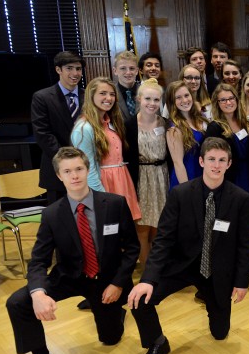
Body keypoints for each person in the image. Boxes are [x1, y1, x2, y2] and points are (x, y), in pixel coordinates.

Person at [6, 147, 139, 354]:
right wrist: (37, 293)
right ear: (59, 176)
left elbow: (132, 249)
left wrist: (118, 283)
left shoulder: (115, 204)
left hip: (105, 280)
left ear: (88, 170)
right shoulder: (51, 215)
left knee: (110, 339)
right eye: (67, 171)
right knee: (18, 302)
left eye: (79, 169)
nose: (74, 175)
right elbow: (38, 260)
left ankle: (114, 312)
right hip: (68, 276)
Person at [128, 137, 249, 354]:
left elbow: (246, 244)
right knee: (141, 301)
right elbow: (163, 239)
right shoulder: (181, 194)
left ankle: (212, 304)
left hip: (217, 270)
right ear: (201, 161)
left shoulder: (240, 198)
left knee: (220, 333)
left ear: (229, 164)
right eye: (211, 159)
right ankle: (157, 344)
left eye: (221, 160)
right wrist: (147, 279)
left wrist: (241, 282)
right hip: (181, 265)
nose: (216, 165)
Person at [71, 77, 142, 221]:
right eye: (103, 93)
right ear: (91, 96)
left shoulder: (111, 122)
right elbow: (88, 169)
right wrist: (102, 199)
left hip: (121, 180)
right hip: (103, 185)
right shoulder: (84, 129)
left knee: (123, 231)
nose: (108, 98)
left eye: (112, 94)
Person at [31, 51, 85, 203]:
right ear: (58, 70)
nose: (75, 73)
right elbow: (43, 134)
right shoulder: (42, 97)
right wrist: (67, 160)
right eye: (69, 68)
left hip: (86, 168)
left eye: (78, 69)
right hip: (57, 170)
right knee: (60, 220)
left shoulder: (88, 96)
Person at [135, 79, 169, 268]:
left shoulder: (164, 123)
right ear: (139, 99)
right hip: (141, 177)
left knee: (159, 226)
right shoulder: (129, 125)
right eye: (148, 98)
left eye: (156, 100)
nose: (152, 103)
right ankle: (146, 270)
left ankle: (158, 269)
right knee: (142, 228)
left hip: (161, 176)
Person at [206, 83, 249, 202]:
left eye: (231, 98)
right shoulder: (214, 128)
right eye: (223, 100)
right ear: (217, 103)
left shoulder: (246, 124)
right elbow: (211, 159)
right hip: (227, 178)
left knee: (248, 212)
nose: (228, 103)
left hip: (247, 175)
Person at [165, 80, 209, 189]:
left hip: (202, 174)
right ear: (172, 101)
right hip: (186, 178)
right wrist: (187, 191)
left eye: (186, 95)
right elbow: (178, 163)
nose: (184, 100)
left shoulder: (199, 119)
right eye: (178, 98)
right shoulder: (174, 129)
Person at [113, 50, 140, 122]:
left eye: (132, 68)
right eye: (123, 68)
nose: (128, 72)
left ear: (137, 71)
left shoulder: (147, 91)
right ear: (115, 70)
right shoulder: (110, 93)